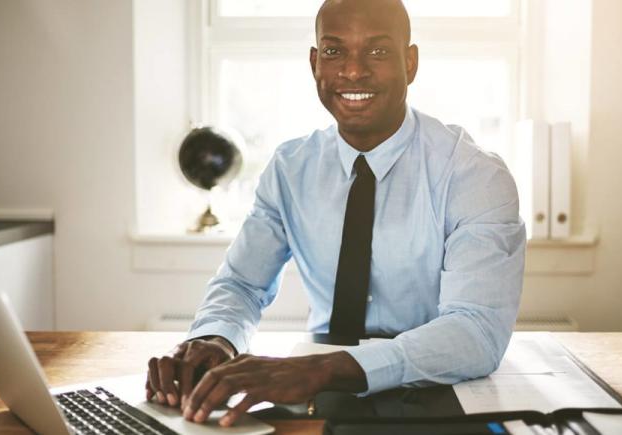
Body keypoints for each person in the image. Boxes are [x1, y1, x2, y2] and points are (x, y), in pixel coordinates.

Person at [147, 0, 525, 427]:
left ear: (410, 62)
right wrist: (216, 338)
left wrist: (325, 368)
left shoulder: (474, 174)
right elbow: (242, 283)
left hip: (438, 392)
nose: (353, 71)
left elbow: (476, 331)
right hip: (319, 396)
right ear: (315, 63)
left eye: (377, 51)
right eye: (334, 51)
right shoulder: (290, 169)